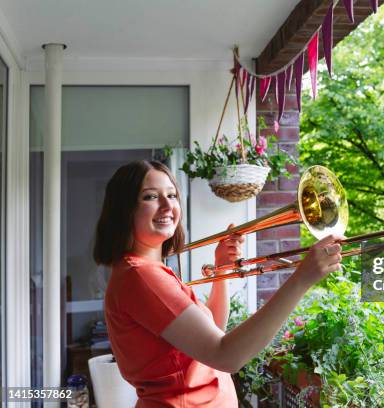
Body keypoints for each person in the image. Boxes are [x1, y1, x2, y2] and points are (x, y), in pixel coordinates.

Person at [93, 160, 343, 407]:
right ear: (124, 209)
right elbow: (227, 355)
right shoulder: (141, 276)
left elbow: (212, 333)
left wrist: (221, 269)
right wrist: (300, 280)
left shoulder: (146, 271)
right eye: (150, 197)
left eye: (172, 195)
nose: (168, 205)